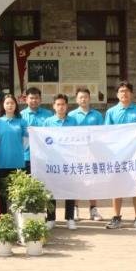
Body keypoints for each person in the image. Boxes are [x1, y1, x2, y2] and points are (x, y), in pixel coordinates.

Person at [104, 81, 136, 231]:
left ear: (131, 93)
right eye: (121, 91)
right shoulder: (111, 112)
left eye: (126, 91)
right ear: (117, 94)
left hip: (134, 156)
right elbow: (107, 133)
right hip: (117, 156)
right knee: (117, 186)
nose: (124, 93)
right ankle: (116, 217)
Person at [41, 94, 78, 230]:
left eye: (63, 104)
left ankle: (70, 218)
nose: (61, 107)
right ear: (53, 106)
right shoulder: (48, 122)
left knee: (70, 190)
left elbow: (77, 139)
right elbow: (42, 140)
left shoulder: (73, 121)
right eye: (58, 104)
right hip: (53, 161)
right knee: (51, 190)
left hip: (69, 161)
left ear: (67, 106)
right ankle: (51, 218)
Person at [69, 87, 105, 221]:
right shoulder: (71, 115)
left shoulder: (97, 115)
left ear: (90, 99)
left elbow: (102, 133)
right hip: (77, 154)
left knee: (92, 182)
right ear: (76, 99)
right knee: (76, 182)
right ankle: (75, 209)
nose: (83, 99)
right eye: (80, 97)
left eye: (85, 97)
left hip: (93, 154)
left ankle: (93, 210)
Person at [0, 94, 27, 213]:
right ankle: (4, 216)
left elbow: (25, 141)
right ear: (3, 105)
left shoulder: (22, 122)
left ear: (16, 105)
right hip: (2, 162)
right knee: (2, 193)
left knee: (18, 192)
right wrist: (1, 153)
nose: (10, 105)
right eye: (7, 103)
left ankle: (17, 217)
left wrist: (17, 150)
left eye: (12, 103)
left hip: (18, 162)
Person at [21, 87, 54, 165]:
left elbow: (53, 132)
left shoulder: (49, 114)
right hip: (27, 155)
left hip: (45, 154)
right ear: (26, 99)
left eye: (36, 98)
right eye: (31, 98)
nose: (34, 100)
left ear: (40, 100)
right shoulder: (21, 115)